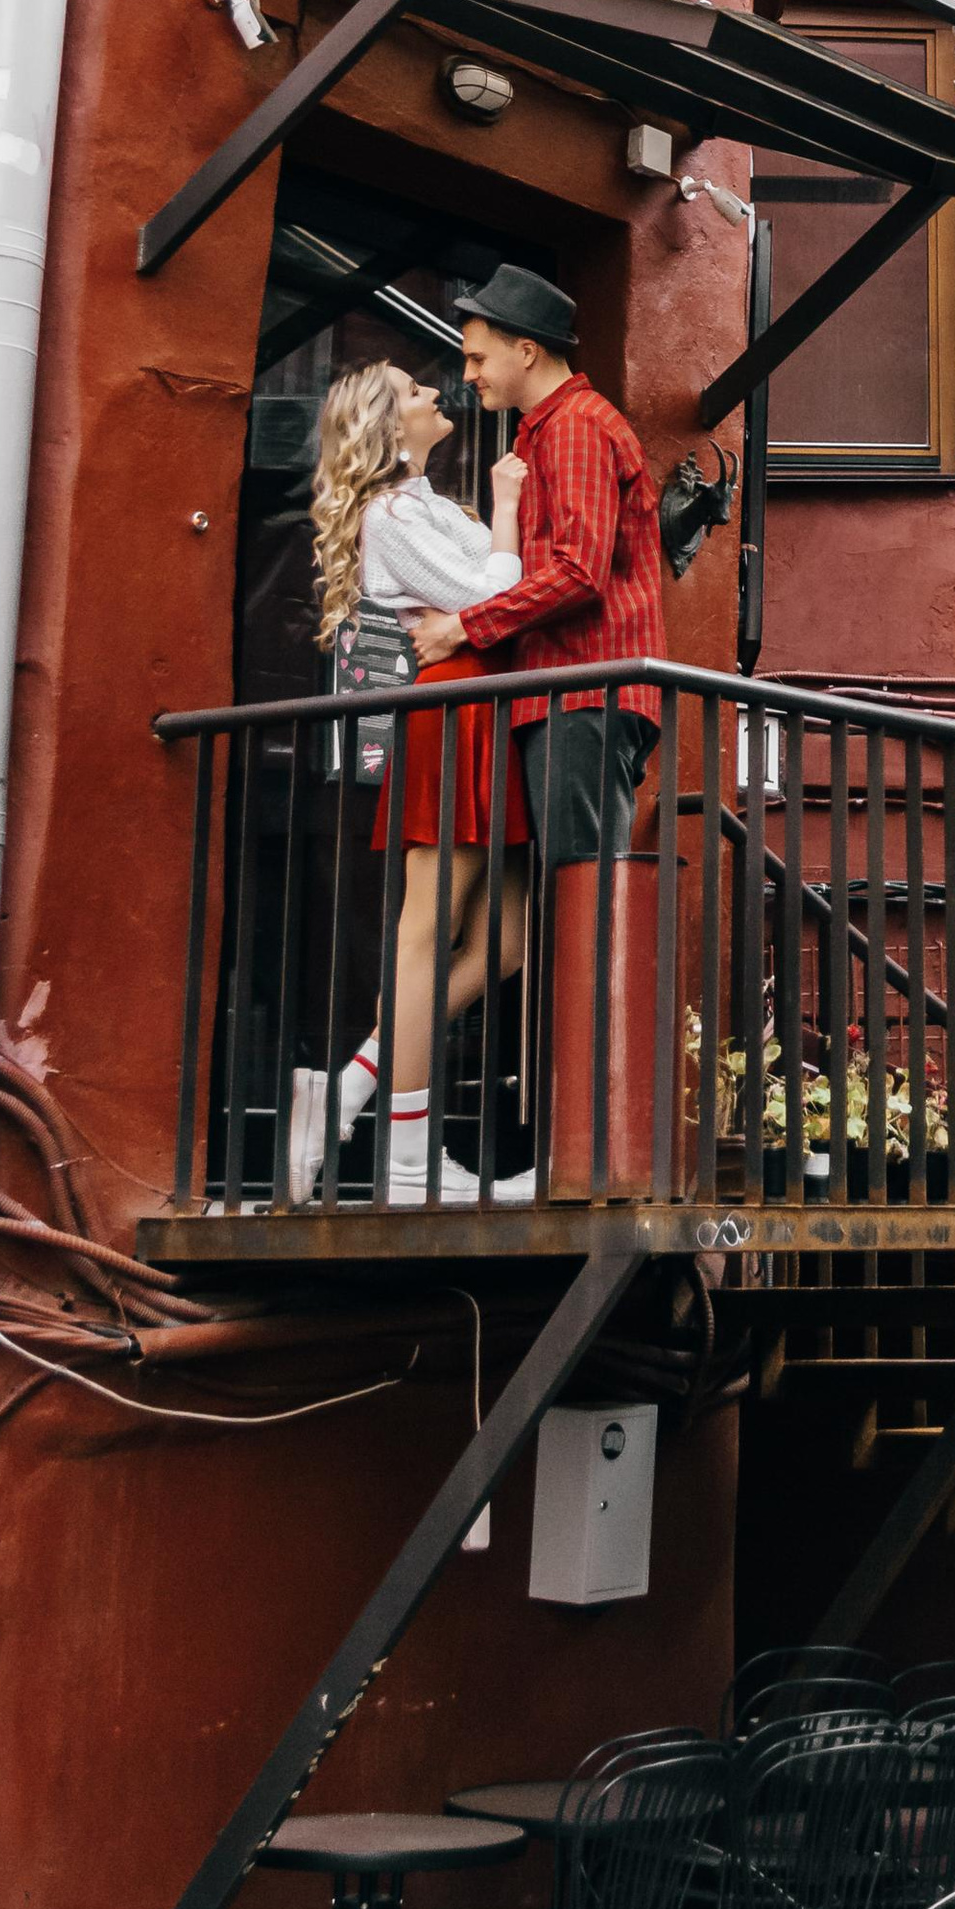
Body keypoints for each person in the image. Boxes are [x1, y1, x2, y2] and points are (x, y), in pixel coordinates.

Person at [293, 360, 532, 1206]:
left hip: (486, 710)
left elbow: (507, 593)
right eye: (416, 391)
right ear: (391, 427)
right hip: (457, 714)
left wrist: (497, 543)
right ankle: (405, 1166)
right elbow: (494, 592)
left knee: (506, 944)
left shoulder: (433, 507)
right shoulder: (392, 514)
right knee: (427, 934)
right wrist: (508, 511)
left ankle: (352, 1082)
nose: (437, 393)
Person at [405, 264, 665, 871]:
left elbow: (579, 572)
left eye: (477, 359)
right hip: (566, 692)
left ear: (526, 351)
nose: (467, 376)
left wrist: (461, 626)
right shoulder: (545, 433)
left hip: (583, 690)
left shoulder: (574, 425)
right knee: (560, 905)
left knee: (584, 895)